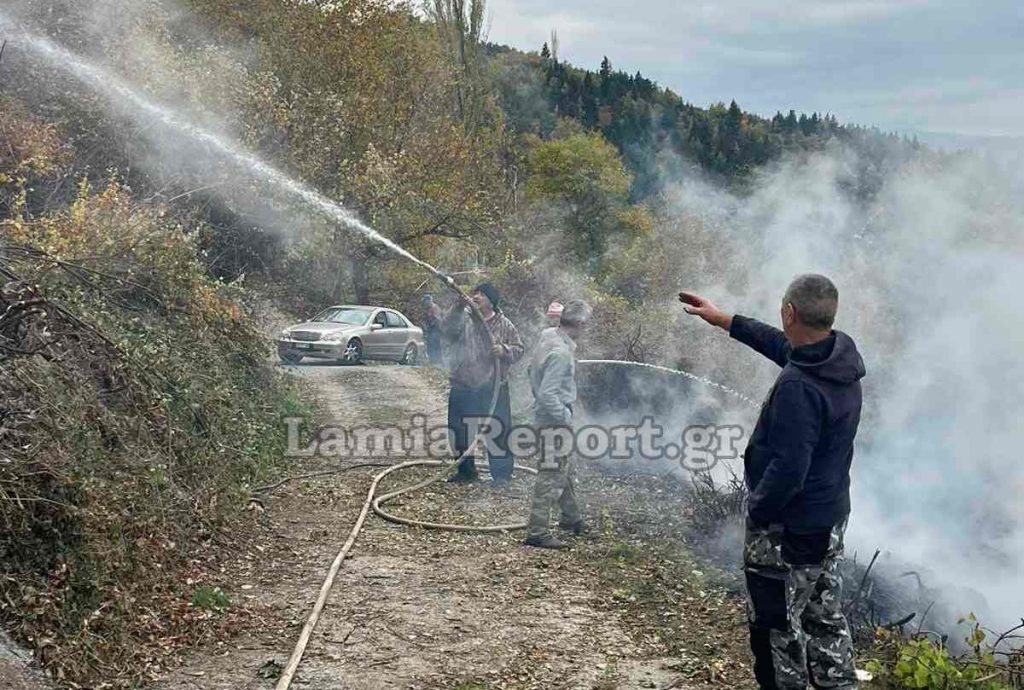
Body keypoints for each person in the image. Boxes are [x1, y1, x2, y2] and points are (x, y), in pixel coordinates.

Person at [679, 275, 864, 690]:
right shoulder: (837, 358)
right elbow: (780, 346)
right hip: (827, 522)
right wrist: (724, 320)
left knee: (776, 628)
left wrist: (756, 509)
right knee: (825, 619)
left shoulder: (800, 387)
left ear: (789, 313)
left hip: (789, 530)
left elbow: (789, 469)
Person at [524, 299, 591, 550]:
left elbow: (532, 370)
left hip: (547, 419)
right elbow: (548, 395)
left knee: (565, 470)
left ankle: (571, 519)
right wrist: (566, 418)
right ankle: (537, 532)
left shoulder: (549, 335)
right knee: (551, 474)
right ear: (581, 324)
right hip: (554, 422)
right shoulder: (561, 354)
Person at [442, 283, 524, 486]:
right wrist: (458, 307)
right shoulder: (465, 319)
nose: (476, 297)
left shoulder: (504, 324)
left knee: (497, 431)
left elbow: (519, 349)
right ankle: (466, 472)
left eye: (481, 294)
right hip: (463, 383)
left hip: (493, 386)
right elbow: (447, 330)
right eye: (475, 293)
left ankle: (501, 475)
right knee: (459, 430)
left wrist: (504, 351)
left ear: (491, 300)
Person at [421, 293, 443, 365]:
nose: (424, 303)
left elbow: (437, 320)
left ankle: (437, 362)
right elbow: (425, 319)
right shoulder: (427, 309)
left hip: (436, 330)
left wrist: (431, 323)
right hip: (430, 330)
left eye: (425, 301)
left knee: (435, 346)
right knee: (430, 346)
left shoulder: (435, 308)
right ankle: (433, 362)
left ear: (429, 300)